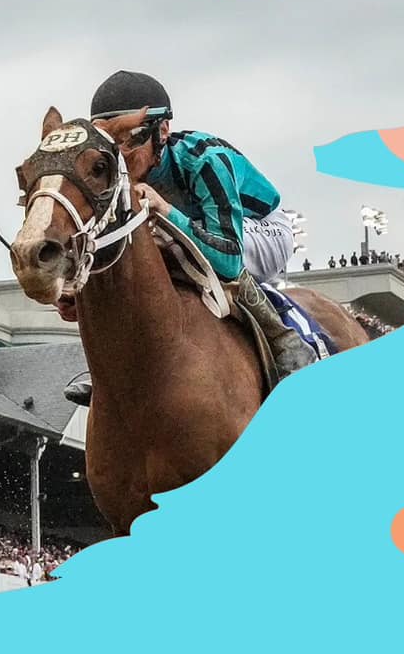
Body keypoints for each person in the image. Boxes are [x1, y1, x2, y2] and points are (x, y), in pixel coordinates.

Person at [63, 69, 312, 405]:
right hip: (200, 229)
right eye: (110, 143)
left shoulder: (206, 160)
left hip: (260, 228)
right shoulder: (116, 175)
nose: (120, 154)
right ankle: (111, 370)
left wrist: (167, 211)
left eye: (131, 139)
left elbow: (228, 260)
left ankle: (286, 343)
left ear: (162, 130)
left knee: (173, 246)